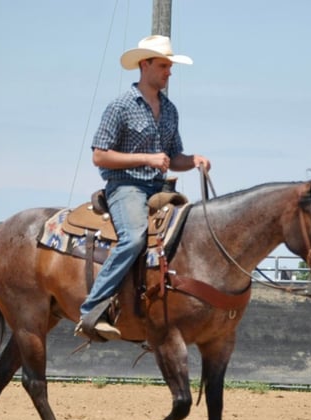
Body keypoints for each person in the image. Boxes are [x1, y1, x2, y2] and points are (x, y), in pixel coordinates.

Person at [75, 35, 211, 341]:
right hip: (126, 187)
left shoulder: (171, 110)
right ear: (145, 64)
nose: (169, 72)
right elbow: (99, 154)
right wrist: (145, 158)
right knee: (134, 238)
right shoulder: (120, 106)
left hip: (159, 187)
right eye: (163, 65)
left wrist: (194, 160)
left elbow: (173, 156)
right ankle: (93, 308)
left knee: (190, 234)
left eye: (170, 66)